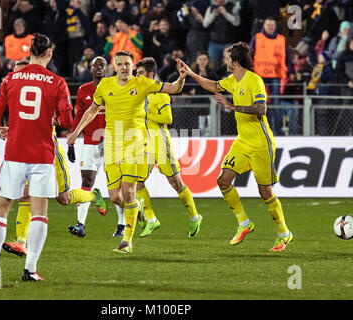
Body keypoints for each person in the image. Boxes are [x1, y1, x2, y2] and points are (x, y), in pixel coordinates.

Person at [0, 33, 100, 283]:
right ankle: (30, 270)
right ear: (49, 53)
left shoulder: (10, 79)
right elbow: (65, 121)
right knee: (39, 211)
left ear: (29, 51)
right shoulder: (57, 82)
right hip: (42, 156)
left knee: (0, 210)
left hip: (15, 154)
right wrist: (55, 116)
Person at [67, 50, 187, 254]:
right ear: (114, 66)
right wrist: (76, 132)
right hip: (112, 145)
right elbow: (92, 110)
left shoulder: (143, 83)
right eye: (120, 64)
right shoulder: (105, 85)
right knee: (115, 197)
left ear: (132, 67)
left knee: (128, 190)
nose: (124, 67)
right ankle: (137, 205)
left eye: (127, 64)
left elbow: (173, 88)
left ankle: (127, 242)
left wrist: (182, 77)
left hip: (135, 144)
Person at [177, 42, 293, 252]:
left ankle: (284, 233)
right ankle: (244, 223)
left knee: (265, 191)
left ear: (236, 61)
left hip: (260, 143)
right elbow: (213, 85)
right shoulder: (233, 80)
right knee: (223, 181)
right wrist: (192, 74)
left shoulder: (254, 80)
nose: (225, 60)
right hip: (242, 142)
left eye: (228, 57)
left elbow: (261, 109)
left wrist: (232, 106)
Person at [0, 57, 106, 257]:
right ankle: (21, 241)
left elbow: (60, 119)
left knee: (63, 198)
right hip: (27, 150)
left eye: (18, 71)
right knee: (25, 194)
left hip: (49, 151)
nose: (15, 75)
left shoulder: (47, 88)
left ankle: (94, 196)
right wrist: (11, 129)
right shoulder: (17, 91)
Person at [135, 57, 202, 238]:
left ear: (150, 74)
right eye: (136, 73)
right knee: (137, 181)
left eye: (140, 73)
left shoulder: (160, 92)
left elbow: (167, 118)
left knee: (176, 183)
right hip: (144, 143)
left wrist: (145, 112)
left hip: (160, 142)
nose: (136, 75)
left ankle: (195, 216)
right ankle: (151, 219)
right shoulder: (137, 92)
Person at [68, 56, 126, 238]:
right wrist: (72, 139)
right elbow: (78, 117)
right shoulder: (83, 90)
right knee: (86, 183)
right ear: (91, 69)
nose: (99, 68)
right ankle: (80, 225)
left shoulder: (115, 86)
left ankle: (121, 225)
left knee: (116, 185)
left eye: (103, 65)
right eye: (96, 65)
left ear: (107, 69)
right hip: (90, 144)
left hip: (112, 144)